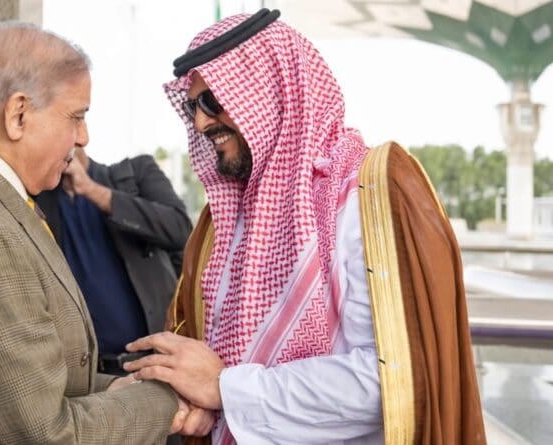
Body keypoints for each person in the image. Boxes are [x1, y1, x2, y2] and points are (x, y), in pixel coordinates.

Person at [124, 9, 486, 445]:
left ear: (269, 92)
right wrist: (197, 400)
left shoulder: (366, 195)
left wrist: (226, 390)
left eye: (213, 101)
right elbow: (205, 357)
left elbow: (387, 383)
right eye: (192, 106)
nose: (200, 123)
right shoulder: (222, 218)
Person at [0, 22, 211, 444]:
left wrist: (122, 389)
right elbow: (43, 435)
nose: (84, 137)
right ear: (18, 115)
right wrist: (168, 401)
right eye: (76, 116)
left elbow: (24, 387)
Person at [35, 146, 192, 374]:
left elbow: (180, 230)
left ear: (80, 133)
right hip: (94, 377)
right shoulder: (37, 201)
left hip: (158, 364)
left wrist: (91, 190)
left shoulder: (136, 173)